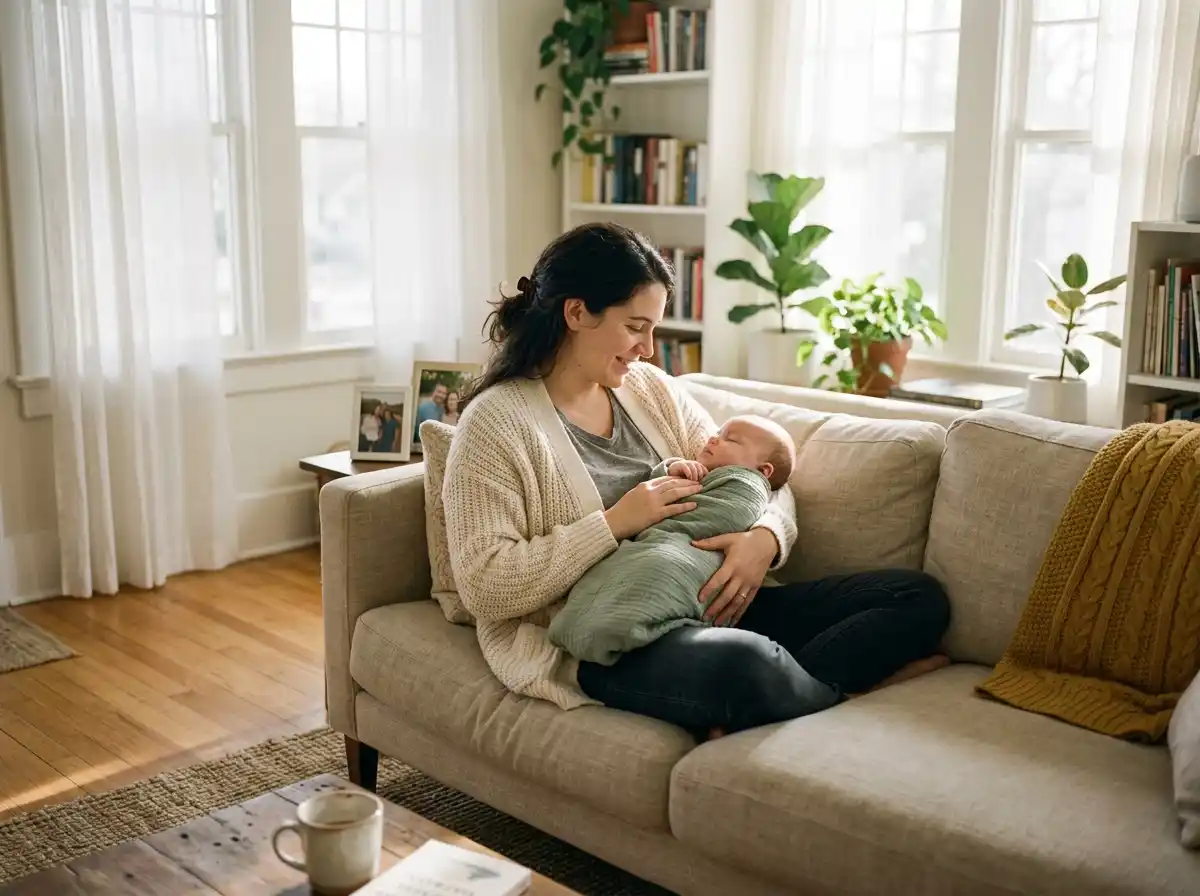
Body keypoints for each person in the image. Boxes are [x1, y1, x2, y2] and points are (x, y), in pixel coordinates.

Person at [443, 222, 950, 736]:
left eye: (654, 329)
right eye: (636, 326)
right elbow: (485, 587)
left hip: (709, 598)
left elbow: (759, 475)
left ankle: (783, 694)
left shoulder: (648, 390)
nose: (648, 348)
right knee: (743, 665)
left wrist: (762, 540)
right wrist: (616, 522)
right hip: (606, 638)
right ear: (576, 313)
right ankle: (836, 694)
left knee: (914, 597)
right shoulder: (496, 423)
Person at [548, 415, 797, 666]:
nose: (712, 438)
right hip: (657, 553)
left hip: (711, 578)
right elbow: (656, 497)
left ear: (763, 470)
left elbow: (770, 490)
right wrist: (670, 472)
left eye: (729, 439)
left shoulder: (742, 481)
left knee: (835, 598)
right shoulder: (708, 469)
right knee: (754, 659)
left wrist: (766, 537)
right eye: (718, 433)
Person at [413, 382, 448, 447]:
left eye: (444, 393)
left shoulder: (444, 410)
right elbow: (416, 431)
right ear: (433, 392)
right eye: (439, 392)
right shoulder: (422, 408)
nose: (441, 395)